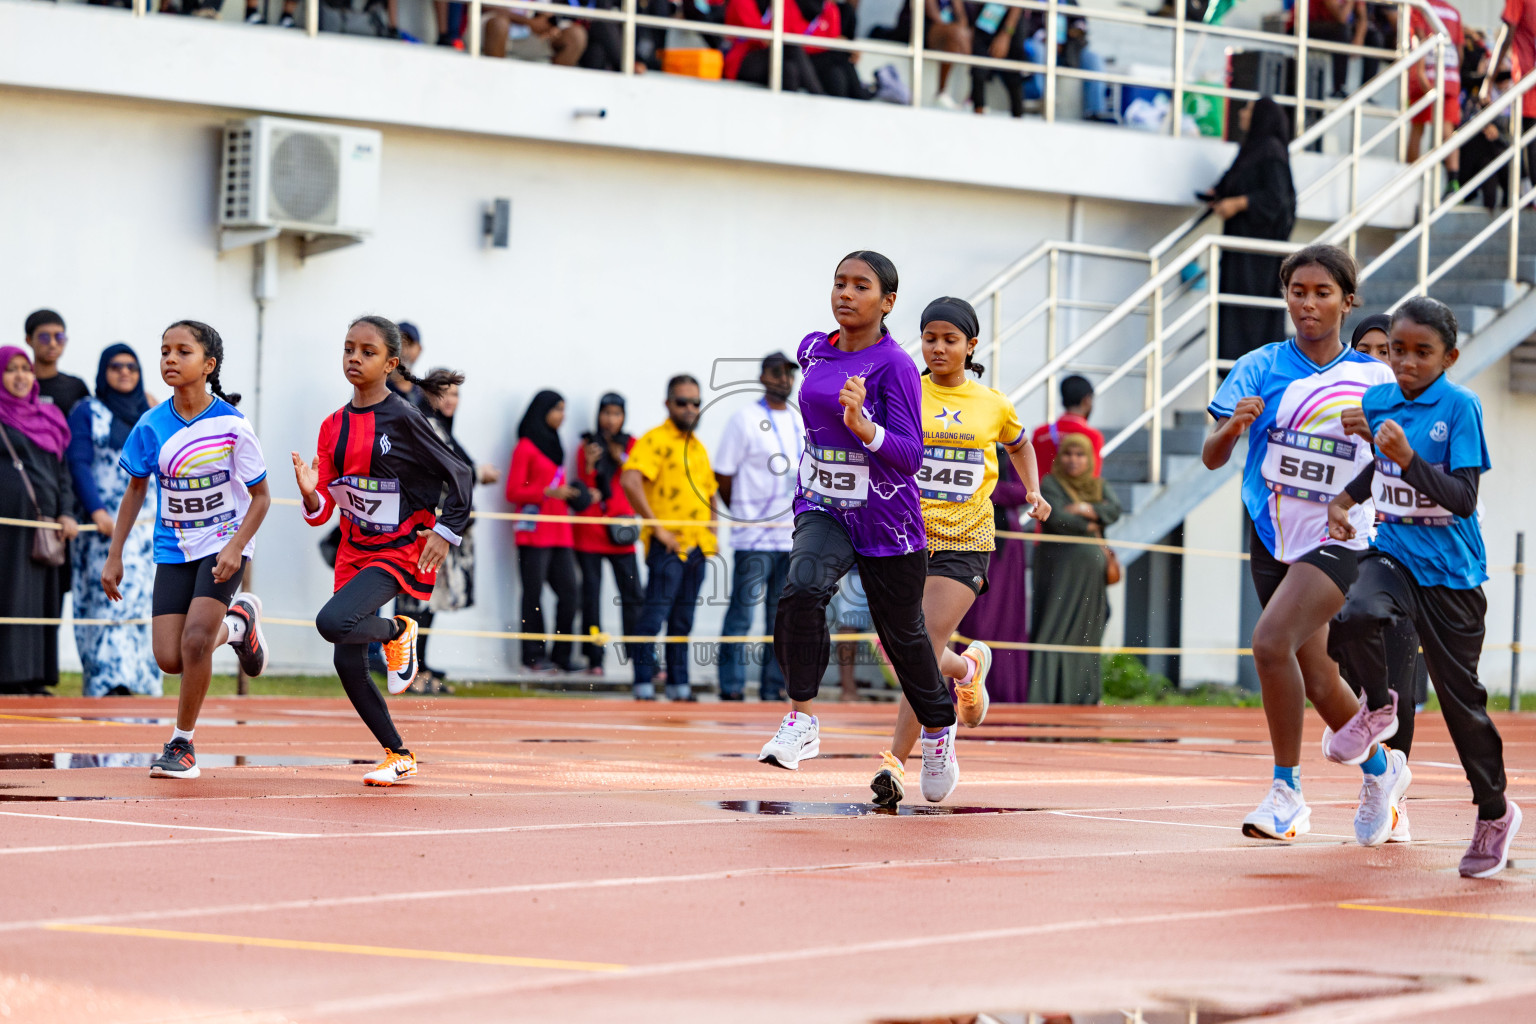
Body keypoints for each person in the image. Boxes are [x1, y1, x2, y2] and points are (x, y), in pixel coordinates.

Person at [1201, 244, 1399, 845]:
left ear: (1347, 300)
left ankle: (1287, 792)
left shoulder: (1376, 377)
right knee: (1315, 676)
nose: (1308, 304)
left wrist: (1380, 437)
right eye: (1297, 291)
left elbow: (1402, 462)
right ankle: (1383, 771)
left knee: (1268, 644)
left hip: (1344, 534)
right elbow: (1212, 458)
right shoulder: (1259, 365)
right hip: (1274, 534)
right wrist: (1234, 425)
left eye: (1322, 293)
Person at [756, 251, 961, 803]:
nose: (845, 293)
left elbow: (911, 453)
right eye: (839, 283)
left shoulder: (894, 366)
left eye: (860, 286)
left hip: (888, 520)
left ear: (887, 301)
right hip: (823, 507)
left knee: (904, 639)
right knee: (801, 589)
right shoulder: (812, 349)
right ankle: (802, 718)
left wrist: (864, 428)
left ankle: (940, 728)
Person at [1326, 297, 1521, 876]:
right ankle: (1380, 705)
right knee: (1355, 614)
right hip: (1396, 555)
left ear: (1449, 356)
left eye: (1420, 353)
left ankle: (1493, 812)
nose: (1404, 363)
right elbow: (1381, 468)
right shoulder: (1378, 397)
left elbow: (1462, 498)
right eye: (1396, 351)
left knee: (1463, 707)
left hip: (1454, 576)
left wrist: (1409, 458)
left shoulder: (1462, 408)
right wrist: (1346, 497)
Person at [869, 297, 1049, 806]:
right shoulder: (903, 392)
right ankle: (967, 670)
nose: (939, 347)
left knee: (918, 644)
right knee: (895, 644)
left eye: (950, 340)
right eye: (930, 338)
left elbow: (1018, 444)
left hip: (965, 541)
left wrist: (1032, 490)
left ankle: (905, 758)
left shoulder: (993, 403)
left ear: (971, 347)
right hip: (904, 537)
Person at [292, 316, 473, 787]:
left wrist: (446, 531)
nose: (354, 357)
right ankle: (399, 753)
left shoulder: (406, 418)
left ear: (391, 363)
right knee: (345, 659)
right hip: (355, 547)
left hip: (399, 547)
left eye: (367, 351)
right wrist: (313, 494)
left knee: (333, 622)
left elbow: (461, 475)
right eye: (348, 348)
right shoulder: (333, 426)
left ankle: (397, 631)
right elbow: (325, 505)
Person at [105, 322, 271, 778]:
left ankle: (182, 744)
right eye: (164, 351)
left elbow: (261, 498)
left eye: (182, 351)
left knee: (197, 640)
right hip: (173, 546)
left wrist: (237, 547)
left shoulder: (232, 426)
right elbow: (135, 490)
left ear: (208, 365)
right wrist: (115, 553)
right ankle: (239, 624)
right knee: (171, 657)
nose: (170, 359)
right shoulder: (150, 425)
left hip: (224, 543)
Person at [1347, 312, 1431, 737]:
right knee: (1345, 664)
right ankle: (1377, 765)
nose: (1377, 362)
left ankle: (1391, 788)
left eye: (1387, 351)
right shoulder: (1338, 408)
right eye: (1365, 351)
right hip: (1348, 551)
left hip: (1405, 556)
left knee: (1400, 675)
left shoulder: (1428, 412)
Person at [394, 372, 500, 692]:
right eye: (443, 393)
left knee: (428, 601)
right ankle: (407, 670)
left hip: (438, 530)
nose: (450, 400)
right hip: (420, 528)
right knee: (413, 602)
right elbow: (447, 471)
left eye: (456, 394)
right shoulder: (425, 425)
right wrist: (478, 473)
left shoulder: (443, 428)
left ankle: (419, 666)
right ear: (428, 395)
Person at [66, 345, 160, 697]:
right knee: (105, 606)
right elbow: (78, 463)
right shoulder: (88, 411)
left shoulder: (150, 412)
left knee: (144, 608)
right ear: (103, 371)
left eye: (132, 367)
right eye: (116, 367)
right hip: (103, 530)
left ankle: (142, 685)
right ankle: (107, 686)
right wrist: (96, 511)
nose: (124, 373)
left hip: (147, 531)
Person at [620, 375, 719, 701]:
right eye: (682, 402)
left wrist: (713, 529)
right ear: (668, 404)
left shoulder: (698, 447)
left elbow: (711, 492)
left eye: (695, 402)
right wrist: (656, 527)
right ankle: (643, 683)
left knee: (683, 620)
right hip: (667, 547)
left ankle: (679, 686)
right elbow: (630, 480)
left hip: (697, 548)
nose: (690, 409)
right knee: (654, 617)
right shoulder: (654, 440)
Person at [714, 353, 803, 701]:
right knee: (742, 613)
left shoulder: (800, 420)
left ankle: (772, 686)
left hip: (791, 535)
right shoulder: (745, 419)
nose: (785, 380)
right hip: (754, 536)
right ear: (763, 376)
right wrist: (743, 513)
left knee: (780, 620)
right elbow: (723, 474)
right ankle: (732, 686)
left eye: (789, 375)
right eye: (777, 374)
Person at [0, 346, 77, 696]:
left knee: (43, 599)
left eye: (25, 369)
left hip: (46, 524)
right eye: (11, 370)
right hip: (8, 528)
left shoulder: (49, 417)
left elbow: (62, 473)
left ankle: (35, 677)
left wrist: (67, 512)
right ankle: (9, 677)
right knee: (11, 596)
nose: (20, 376)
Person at [1203, 97, 1297, 364]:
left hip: (1257, 257)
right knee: (1235, 312)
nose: (1242, 113)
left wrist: (1239, 203)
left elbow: (1276, 199)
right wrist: (1219, 195)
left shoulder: (1271, 150)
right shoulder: (1253, 149)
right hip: (1240, 251)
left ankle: (1250, 372)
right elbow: (1237, 181)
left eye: (1248, 109)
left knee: (1250, 316)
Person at [1029, 432, 1120, 703]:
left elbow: (1114, 510)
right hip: (1058, 575)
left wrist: (1082, 507)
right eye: (1068, 454)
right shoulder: (1050, 483)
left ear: (1090, 458)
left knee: (1087, 635)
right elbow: (1057, 518)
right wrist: (1092, 519)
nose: (1073, 460)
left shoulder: (1097, 485)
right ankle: (1046, 697)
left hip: (1090, 579)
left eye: (1080, 455)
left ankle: (1082, 698)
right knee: (1053, 630)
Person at [506, 390, 584, 674]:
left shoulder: (556, 444)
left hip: (560, 532)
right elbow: (513, 490)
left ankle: (562, 654)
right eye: (557, 409)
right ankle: (533, 655)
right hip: (534, 533)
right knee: (533, 593)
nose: (562, 416)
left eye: (564, 409)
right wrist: (547, 492)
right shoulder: (526, 446)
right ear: (542, 411)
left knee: (570, 593)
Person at [955, 444, 1034, 701]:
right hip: (967, 538)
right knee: (973, 619)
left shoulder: (1008, 451)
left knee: (1007, 621)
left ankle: (1005, 695)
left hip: (1005, 548)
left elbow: (1025, 491)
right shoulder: (961, 446)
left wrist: (982, 488)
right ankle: (966, 689)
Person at [574, 393, 643, 676]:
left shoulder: (633, 445)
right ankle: (595, 657)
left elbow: (637, 477)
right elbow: (583, 485)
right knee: (591, 597)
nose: (610, 420)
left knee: (634, 596)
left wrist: (620, 458)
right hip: (591, 531)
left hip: (622, 532)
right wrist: (591, 464)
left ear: (624, 416)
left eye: (616, 414)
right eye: (606, 413)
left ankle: (639, 655)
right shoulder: (587, 444)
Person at [1405, 0, 1464, 187]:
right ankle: (1453, 180)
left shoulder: (1420, 7)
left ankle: (1410, 177)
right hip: (1450, 76)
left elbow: (1419, 39)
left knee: (1418, 127)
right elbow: (1460, 51)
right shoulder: (1454, 12)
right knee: (1448, 129)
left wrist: (1421, 75)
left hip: (1426, 76)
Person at [1022, 0, 1112, 122]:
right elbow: (1026, 24)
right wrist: (1047, 37)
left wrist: (1073, 32)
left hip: (1068, 51)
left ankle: (1094, 111)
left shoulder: (1069, 2)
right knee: (1038, 50)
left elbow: (1081, 23)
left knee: (1094, 59)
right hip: (1041, 47)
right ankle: (1039, 101)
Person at [1030, 374, 1105, 477]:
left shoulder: (1040, 433)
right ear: (1086, 400)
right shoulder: (1093, 437)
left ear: (1063, 401)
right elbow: (1093, 477)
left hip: (1042, 492)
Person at [23, 309, 89, 415]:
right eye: (44, 337)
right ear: (29, 340)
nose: (53, 344)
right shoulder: (17, 383)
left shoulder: (76, 387)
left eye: (59, 337)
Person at [969, 2, 1027, 118]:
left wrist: (1006, 34)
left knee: (1013, 74)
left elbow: (1018, 4)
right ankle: (978, 114)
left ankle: (1018, 118)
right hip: (986, 15)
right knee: (978, 69)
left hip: (1009, 21)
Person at [483, 5, 588, 64]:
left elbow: (548, 13)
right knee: (499, 24)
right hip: (493, 27)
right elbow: (484, 5)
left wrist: (550, 27)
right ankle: (496, 82)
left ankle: (556, 90)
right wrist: (528, 22)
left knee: (576, 35)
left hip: (533, 34)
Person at [387, 321, 429, 412]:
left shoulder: (425, 394)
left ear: (419, 350)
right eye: (400, 343)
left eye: (409, 344)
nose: (404, 350)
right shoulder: (374, 388)